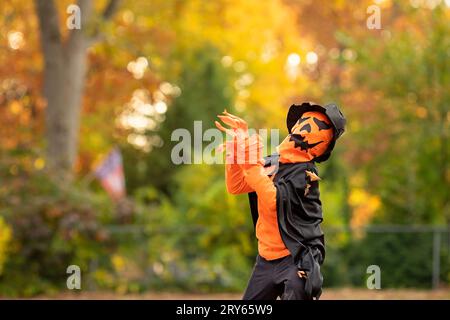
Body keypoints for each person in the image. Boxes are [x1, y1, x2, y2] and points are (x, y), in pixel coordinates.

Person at [215, 102, 346, 300]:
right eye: (304, 121)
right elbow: (236, 186)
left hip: (297, 257)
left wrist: (251, 166)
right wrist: (235, 155)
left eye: (317, 126)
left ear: (322, 147)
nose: (305, 128)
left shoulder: (306, 173)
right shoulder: (272, 163)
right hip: (266, 259)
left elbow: (273, 201)